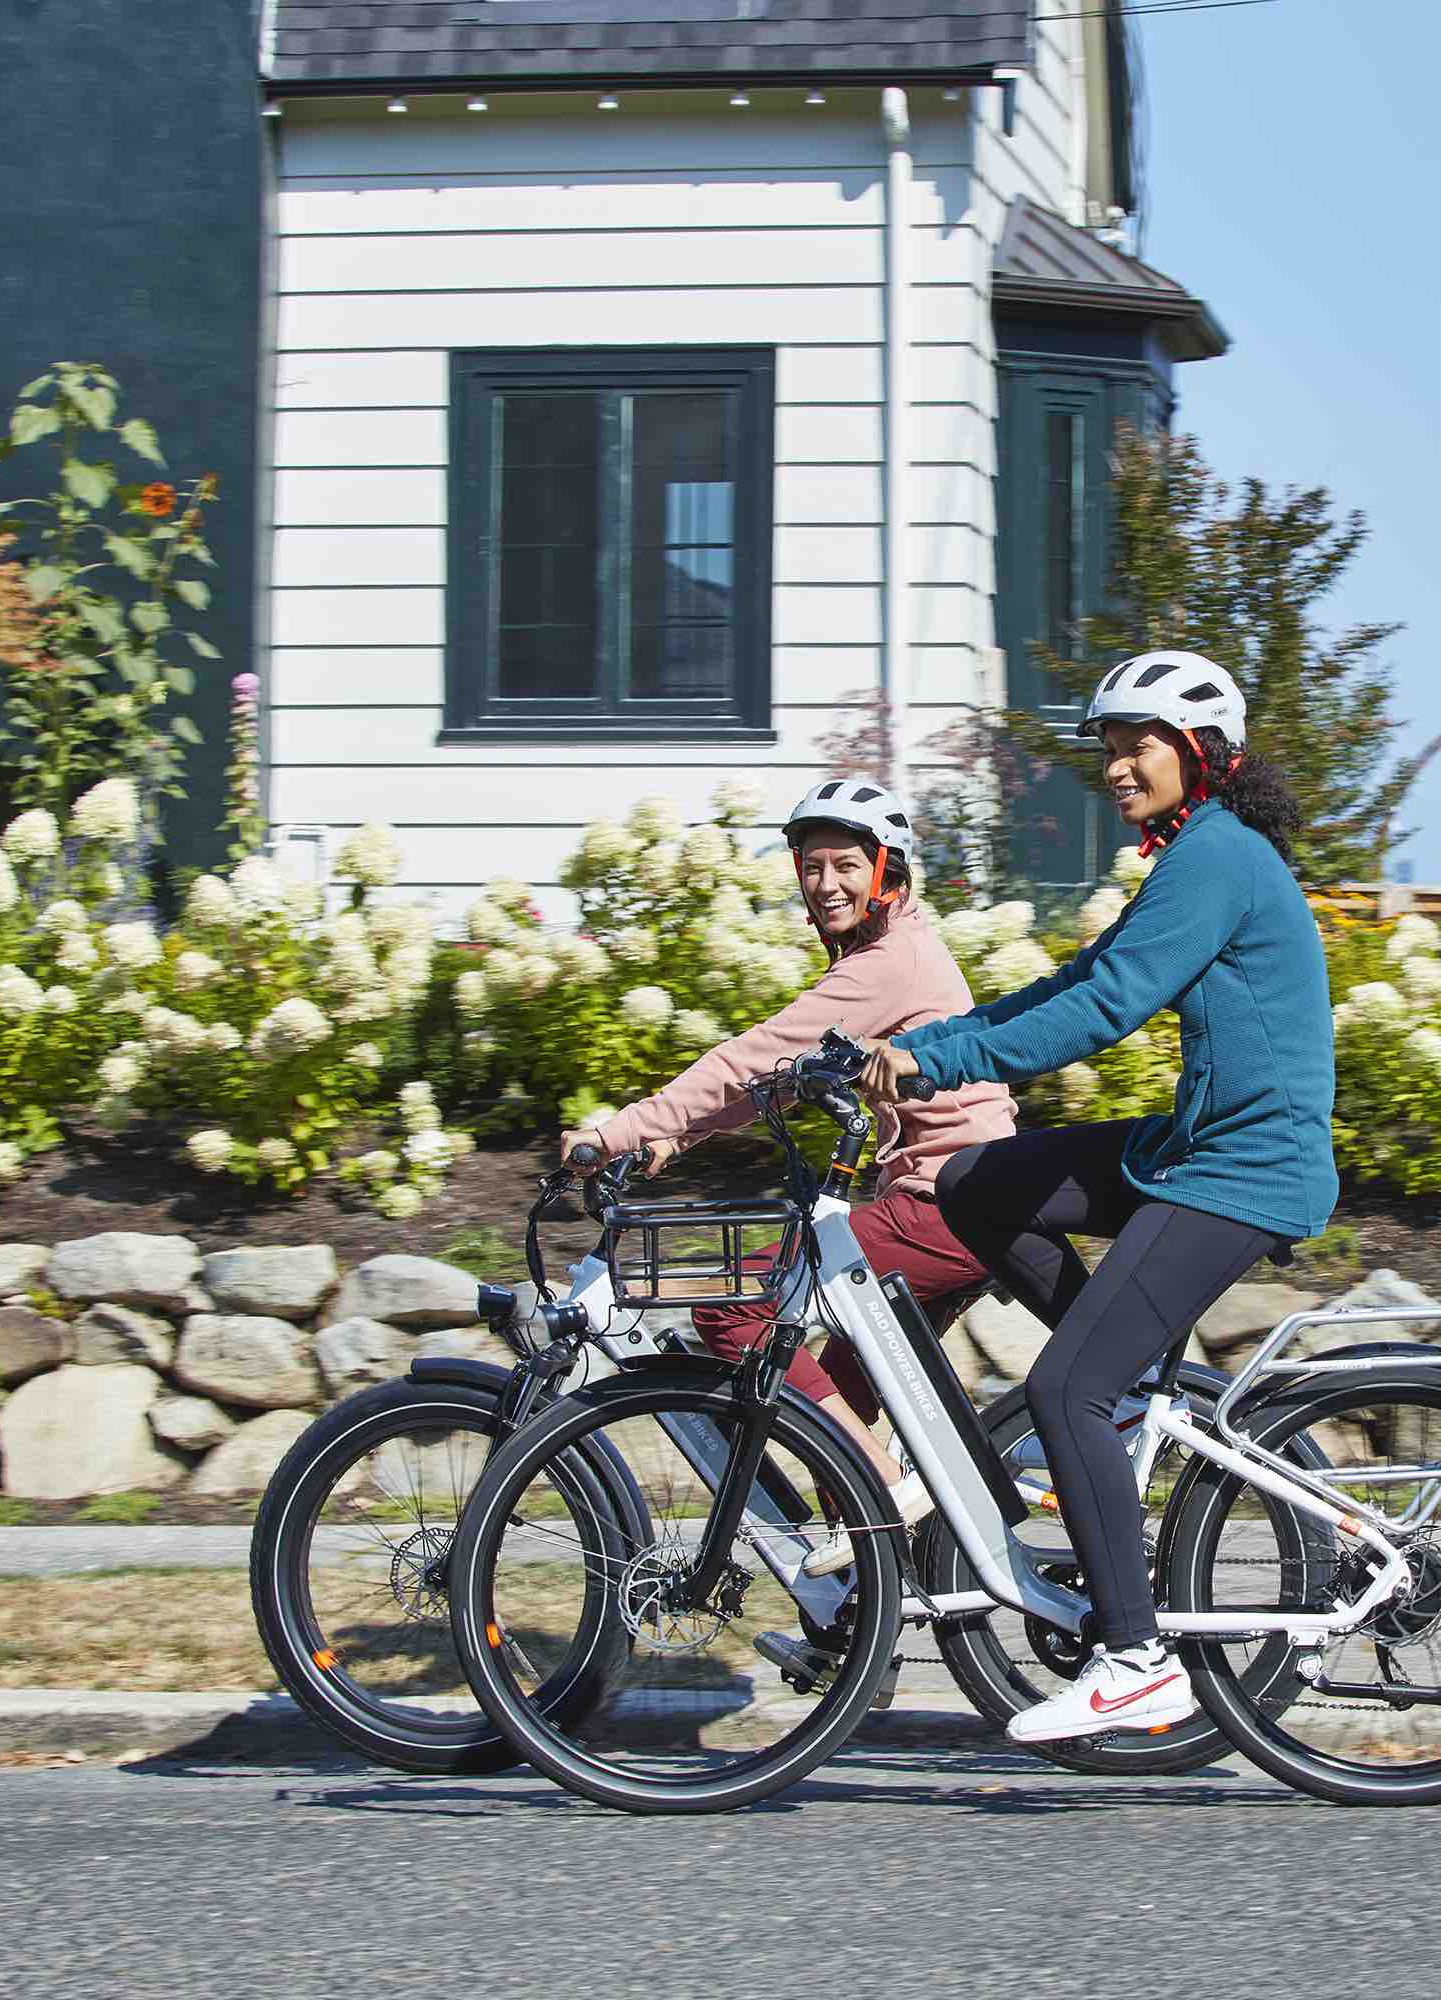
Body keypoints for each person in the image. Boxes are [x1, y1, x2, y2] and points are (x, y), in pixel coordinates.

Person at [861, 652, 1337, 1742]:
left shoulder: (1219, 856)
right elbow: (1075, 978)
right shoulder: (1194, 858)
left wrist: (935, 1069)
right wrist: (917, 1042)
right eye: (1110, 746)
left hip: (1244, 1169)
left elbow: (1108, 1009)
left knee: (1062, 1385)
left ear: (1199, 753)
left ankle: (1136, 1659)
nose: (1116, 764)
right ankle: (1116, 1401)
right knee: (979, 1177)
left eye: (1139, 743)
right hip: (1194, 1146)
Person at [563, 779, 1014, 1594]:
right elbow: (776, 1079)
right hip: (952, 1202)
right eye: (812, 866)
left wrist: (619, 1130)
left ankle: (885, 1488)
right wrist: (675, 1133)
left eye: (847, 864)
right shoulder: (890, 954)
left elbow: (753, 1058)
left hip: (940, 1207)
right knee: (837, 1386)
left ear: (887, 871)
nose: (827, 882)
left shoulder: (891, 962)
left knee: (737, 1311)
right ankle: (865, 1614)